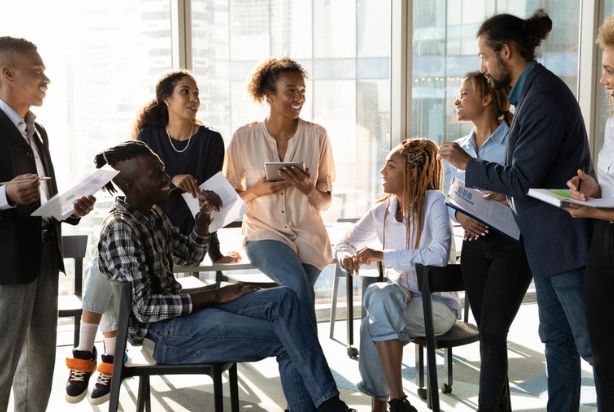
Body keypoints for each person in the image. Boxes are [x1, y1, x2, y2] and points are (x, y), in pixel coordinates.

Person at [94, 140, 356, 412]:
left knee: (286, 299)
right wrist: (215, 295)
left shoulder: (153, 213)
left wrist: (204, 219)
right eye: (155, 175)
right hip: (163, 335)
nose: (165, 178)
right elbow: (144, 308)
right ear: (129, 186)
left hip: (183, 316)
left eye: (162, 169)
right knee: (288, 336)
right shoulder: (120, 229)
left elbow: (190, 257)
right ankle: (330, 405)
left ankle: (327, 404)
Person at [438, 10, 594, 412]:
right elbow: (532, 181)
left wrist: (466, 165)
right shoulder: (533, 95)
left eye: (484, 57)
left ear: (505, 52)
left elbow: (522, 177)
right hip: (544, 243)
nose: (483, 67)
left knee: (590, 346)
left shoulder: (544, 97)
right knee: (557, 342)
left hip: (562, 242)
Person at [64, 70, 241, 405]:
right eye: (185, 92)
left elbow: (213, 195)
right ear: (167, 100)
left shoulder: (210, 140)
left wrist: (212, 244)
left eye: (196, 92)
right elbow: (135, 180)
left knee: (109, 261)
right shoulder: (149, 136)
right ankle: (105, 358)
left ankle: (94, 355)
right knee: (113, 261)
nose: (193, 98)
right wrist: (171, 181)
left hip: (178, 232)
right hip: (142, 225)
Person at [0, 36, 95, 411]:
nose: (46, 80)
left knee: (39, 365)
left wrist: (72, 208)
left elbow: (42, 199)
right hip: (6, 265)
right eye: (36, 72)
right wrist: (6, 194)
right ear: (6, 72)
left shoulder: (38, 132)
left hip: (43, 256)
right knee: (3, 363)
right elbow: (12, 195)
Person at [336, 138, 459, 412]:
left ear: (412, 173)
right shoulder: (382, 210)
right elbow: (344, 243)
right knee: (380, 296)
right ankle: (397, 401)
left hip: (435, 307)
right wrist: (345, 256)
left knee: (372, 324)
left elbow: (437, 255)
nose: (382, 172)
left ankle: (385, 406)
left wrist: (383, 256)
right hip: (398, 301)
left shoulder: (434, 201)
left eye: (390, 166)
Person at [224, 57, 335, 329]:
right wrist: (257, 190)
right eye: (290, 91)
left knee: (293, 303)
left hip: (310, 237)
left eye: (302, 92)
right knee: (298, 286)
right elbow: (227, 202)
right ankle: (315, 364)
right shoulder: (243, 137)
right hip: (264, 234)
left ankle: (295, 364)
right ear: (268, 95)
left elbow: (325, 202)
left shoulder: (317, 136)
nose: (298, 97)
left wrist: (307, 188)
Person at [443, 71, 532, 411]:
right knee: (490, 338)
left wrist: (506, 195)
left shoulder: (514, 140)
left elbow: (527, 186)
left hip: (512, 243)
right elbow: (450, 197)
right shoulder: (458, 149)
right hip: (475, 247)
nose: (457, 99)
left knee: (493, 334)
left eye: (464, 93)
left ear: (485, 99)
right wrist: (459, 216)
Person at [564, 14, 614, 411]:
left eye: (611, 71)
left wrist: (596, 213)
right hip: (604, 249)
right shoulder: (613, 122)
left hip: (606, 230)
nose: (603, 81)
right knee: (603, 356)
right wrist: (594, 190)